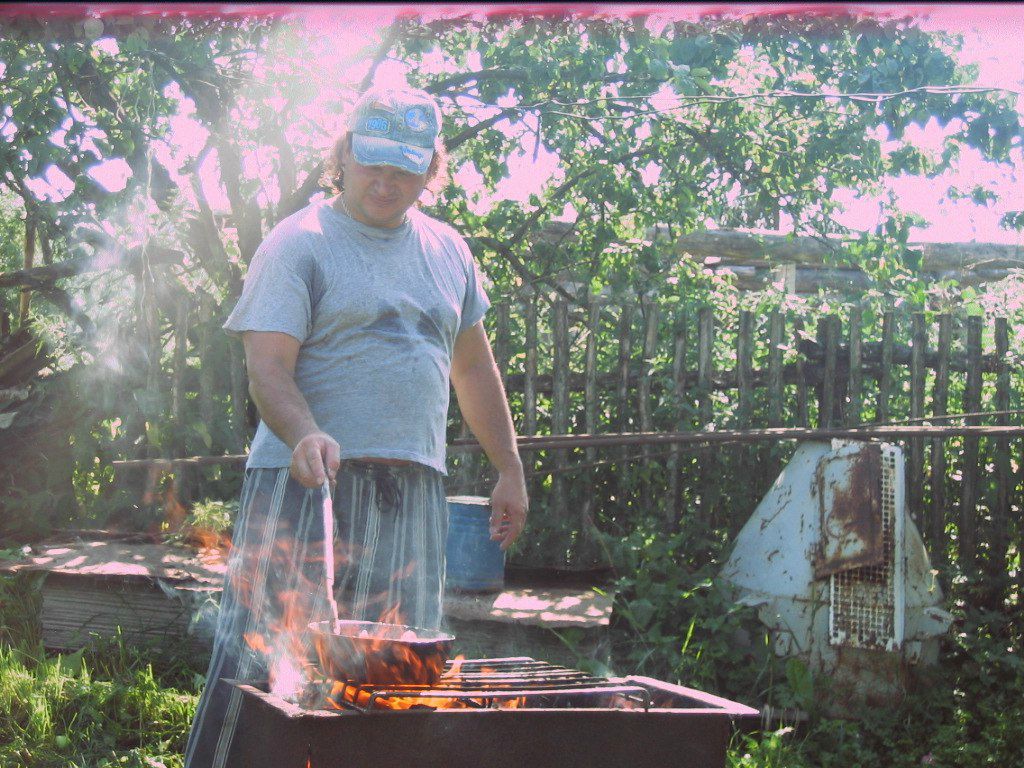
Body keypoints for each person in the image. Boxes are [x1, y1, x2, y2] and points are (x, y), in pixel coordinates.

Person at [184, 84, 528, 768]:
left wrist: (510, 468)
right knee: (263, 664)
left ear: (431, 170)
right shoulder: (299, 243)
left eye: (405, 169)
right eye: (372, 164)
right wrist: (305, 432)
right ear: (343, 154)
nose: (385, 182)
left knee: (395, 677)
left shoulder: (449, 251)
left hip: (414, 496)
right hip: (305, 486)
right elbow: (267, 368)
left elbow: (473, 369)